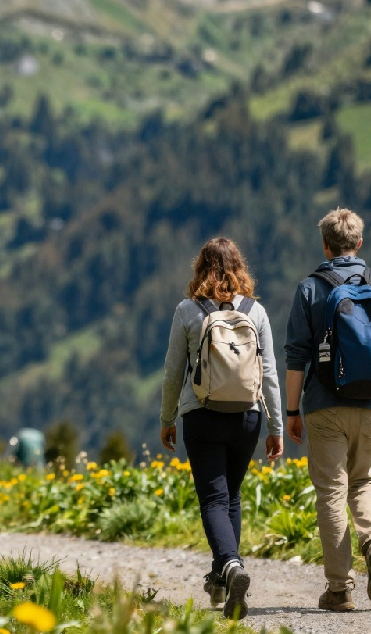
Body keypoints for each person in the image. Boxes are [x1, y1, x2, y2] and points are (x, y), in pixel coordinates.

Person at [284, 208, 371, 612]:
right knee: (363, 482)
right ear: (359, 243)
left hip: (325, 407)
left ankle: (340, 589)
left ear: (325, 245)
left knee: (331, 492)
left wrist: (291, 412)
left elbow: (296, 356)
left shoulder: (310, 288)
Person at [160, 237, 284, 619]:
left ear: (200, 268)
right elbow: (269, 374)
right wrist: (276, 427)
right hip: (247, 416)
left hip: (201, 413)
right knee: (231, 496)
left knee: (214, 499)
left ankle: (230, 566)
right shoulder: (256, 312)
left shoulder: (188, 310)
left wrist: (167, 419)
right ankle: (223, 577)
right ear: (239, 268)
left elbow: (173, 372)